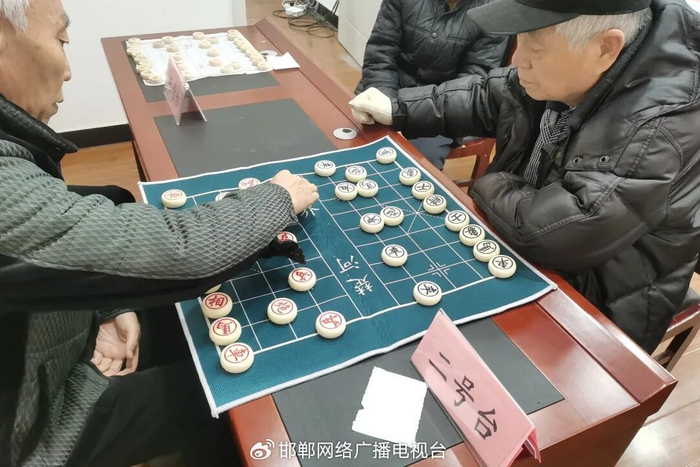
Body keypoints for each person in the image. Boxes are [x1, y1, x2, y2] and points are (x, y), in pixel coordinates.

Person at [0, 1, 319, 466]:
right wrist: (278, 198)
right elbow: (183, 250)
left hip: (51, 345)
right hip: (32, 428)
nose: (67, 70)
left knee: (198, 318)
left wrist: (104, 304)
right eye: (60, 40)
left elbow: (63, 241)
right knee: (236, 402)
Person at [350, 0, 700, 353]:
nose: (517, 58)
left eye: (536, 46)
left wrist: (486, 184)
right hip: (519, 238)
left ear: (605, 48)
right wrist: (399, 108)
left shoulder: (660, 129)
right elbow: (491, 94)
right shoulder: (574, 70)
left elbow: (554, 234)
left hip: (598, 305)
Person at [354, 0, 509, 170]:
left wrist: (402, 116)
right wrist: (388, 106)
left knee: (417, 166)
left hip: (442, 109)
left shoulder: (495, 9)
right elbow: (380, 52)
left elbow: (470, 85)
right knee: (353, 141)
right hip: (389, 86)